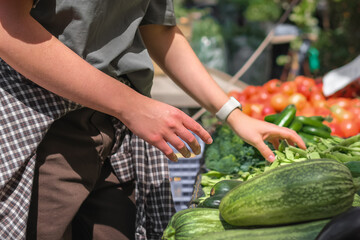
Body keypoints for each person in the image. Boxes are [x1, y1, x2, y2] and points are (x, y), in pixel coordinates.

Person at [0, 0, 306, 239]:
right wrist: (132, 107)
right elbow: (7, 26)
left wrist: (233, 114)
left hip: (117, 132)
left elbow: (159, 29)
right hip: (41, 123)